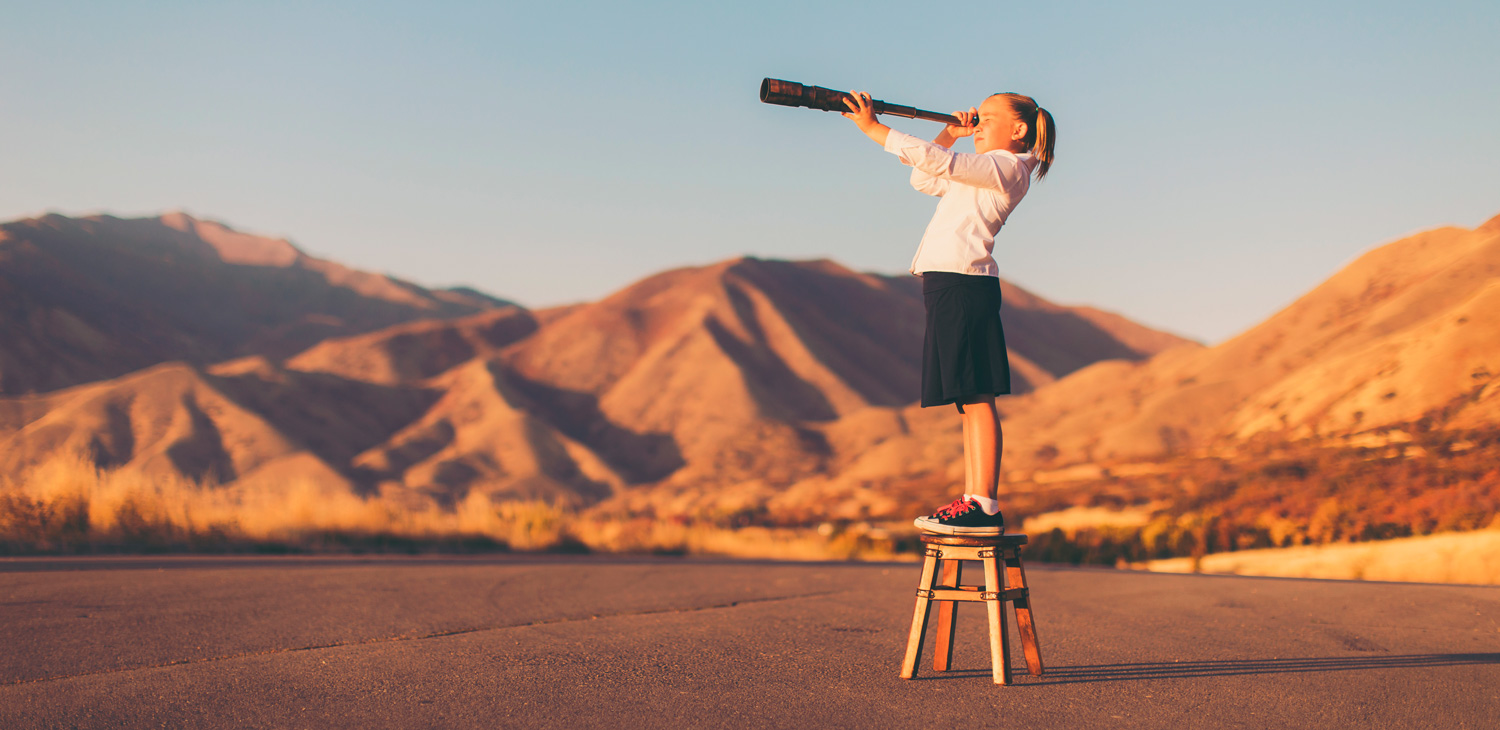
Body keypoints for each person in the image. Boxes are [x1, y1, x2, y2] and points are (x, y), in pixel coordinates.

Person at [841, 90, 1055, 535]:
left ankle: (984, 502)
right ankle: (975, 497)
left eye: (986, 118)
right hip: (949, 282)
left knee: (978, 395)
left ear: (1018, 130)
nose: (976, 123)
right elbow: (924, 178)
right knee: (968, 397)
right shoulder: (983, 171)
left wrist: (873, 129)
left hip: (965, 283)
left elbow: (941, 165)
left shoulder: (1008, 166)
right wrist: (949, 134)